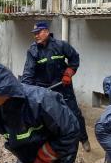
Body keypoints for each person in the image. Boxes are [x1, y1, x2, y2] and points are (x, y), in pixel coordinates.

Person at [21, 22, 90, 152]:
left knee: (74, 114)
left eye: (38, 32)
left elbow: (74, 58)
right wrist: (27, 92)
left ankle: (84, 139)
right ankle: (51, 145)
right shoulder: (33, 50)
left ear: (46, 31)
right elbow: (28, 73)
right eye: (34, 34)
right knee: (46, 117)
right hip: (44, 89)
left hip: (63, 86)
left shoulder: (61, 45)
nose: (36, 36)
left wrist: (68, 73)